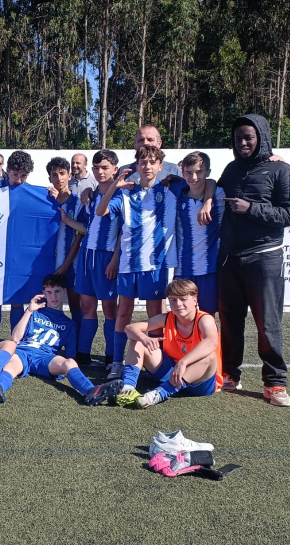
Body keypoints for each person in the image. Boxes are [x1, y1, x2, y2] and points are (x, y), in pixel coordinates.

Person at [217, 114, 290, 407]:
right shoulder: (230, 170)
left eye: (249, 137)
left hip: (264, 257)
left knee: (268, 324)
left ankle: (275, 383)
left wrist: (251, 208)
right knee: (229, 321)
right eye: (238, 137)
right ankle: (229, 374)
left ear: (261, 138)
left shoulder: (281, 170)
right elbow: (212, 194)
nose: (243, 143)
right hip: (229, 258)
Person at [97, 145, 184, 386]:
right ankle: (117, 362)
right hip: (128, 263)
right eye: (142, 162)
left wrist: (176, 177)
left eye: (152, 162)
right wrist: (115, 185)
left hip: (155, 264)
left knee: (155, 314)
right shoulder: (126, 193)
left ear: (159, 165)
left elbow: (204, 181)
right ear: (137, 165)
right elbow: (100, 210)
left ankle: (156, 362)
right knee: (123, 311)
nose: (147, 167)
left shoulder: (171, 188)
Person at [0, 275, 121, 406]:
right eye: (48, 292)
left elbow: (71, 356)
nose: (53, 296)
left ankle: (90, 390)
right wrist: (29, 311)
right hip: (23, 351)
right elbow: (15, 338)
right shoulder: (35, 313)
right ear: (43, 294)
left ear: (64, 292)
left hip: (45, 357)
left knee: (69, 363)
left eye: (56, 291)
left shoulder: (70, 325)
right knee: (10, 365)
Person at [118, 278, 222, 409]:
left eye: (183, 299)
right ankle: (128, 388)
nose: (178, 304)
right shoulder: (168, 317)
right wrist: (145, 339)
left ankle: (160, 393)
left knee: (209, 356)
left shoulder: (205, 319)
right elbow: (129, 328)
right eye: (173, 300)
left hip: (200, 382)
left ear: (195, 300)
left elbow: (211, 342)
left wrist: (183, 362)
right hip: (172, 373)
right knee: (138, 340)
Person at [75, 150, 122, 369]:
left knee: (110, 308)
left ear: (115, 168)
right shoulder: (90, 195)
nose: (100, 171)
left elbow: (124, 232)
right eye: (96, 168)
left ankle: (112, 356)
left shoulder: (121, 197)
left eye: (105, 167)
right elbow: (86, 226)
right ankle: (83, 353)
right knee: (87, 307)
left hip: (106, 257)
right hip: (86, 257)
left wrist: (115, 259)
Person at [173, 152, 224, 314]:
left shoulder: (219, 195)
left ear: (208, 172)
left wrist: (207, 202)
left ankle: (212, 341)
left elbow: (212, 183)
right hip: (183, 268)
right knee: (183, 315)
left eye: (199, 171)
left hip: (210, 268)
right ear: (182, 173)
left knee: (208, 315)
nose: (194, 177)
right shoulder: (177, 195)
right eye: (188, 172)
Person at [45, 157, 84, 334]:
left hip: (72, 265)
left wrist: (66, 264)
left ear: (69, 175)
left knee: (76, 304)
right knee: (48, 303)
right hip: (49, 264)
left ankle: (77, 346)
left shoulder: (79, 203)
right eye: (54, 175)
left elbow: (80, 236)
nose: (59, 178)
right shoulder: (46, 202)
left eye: (62, 174)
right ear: (49, 178)